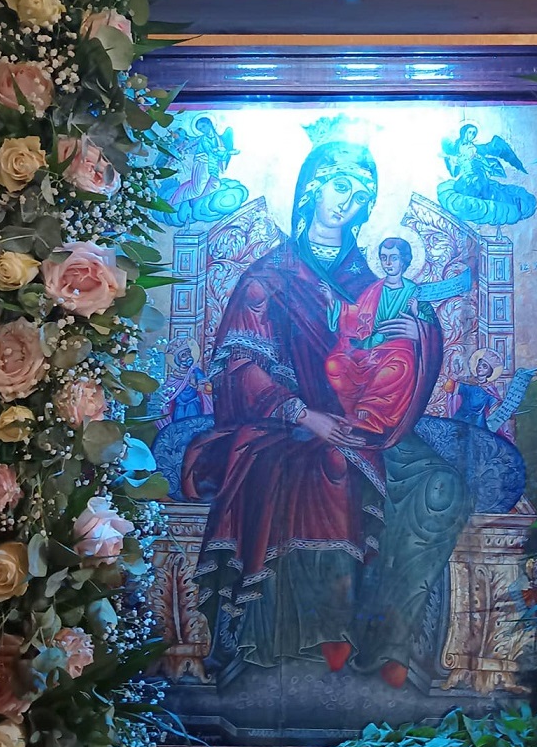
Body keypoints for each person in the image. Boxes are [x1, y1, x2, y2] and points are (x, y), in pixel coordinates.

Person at [181, 142, 471, 690]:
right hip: (282, 426)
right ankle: (306, 646)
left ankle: (389, 646)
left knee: (440, 487)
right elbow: (239, 366)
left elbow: (405, 348)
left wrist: (420, 334)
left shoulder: (373, 283)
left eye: (362, 196)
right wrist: (301, 413)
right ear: (312, 188)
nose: (348, 203)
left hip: (368, 422)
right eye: (341, 187)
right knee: (328, 465)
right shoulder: (268, 279)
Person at [324, 237, 437, 437]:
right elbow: (356, 314)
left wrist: (418, 320)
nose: (388, 263)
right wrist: (334, 304)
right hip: (368, 346)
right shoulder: (374, 290)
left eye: (394, 258)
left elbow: (431, 327)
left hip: (397, 350)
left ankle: (370, 416)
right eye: (384, 258)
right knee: (335, 364)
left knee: (400, 366)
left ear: (405, 261)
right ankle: (352, 413)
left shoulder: (415, 293)